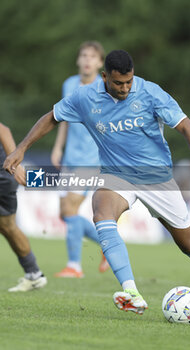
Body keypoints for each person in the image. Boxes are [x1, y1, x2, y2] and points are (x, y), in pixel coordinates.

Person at [4, 50, 190, 315]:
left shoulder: (151, 93)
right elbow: (52, 117)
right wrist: (21, 150)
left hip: (156, 177)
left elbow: (187, 127)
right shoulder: (85, 97)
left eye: (128, 82)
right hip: (116, 174)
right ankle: (131, 291)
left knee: (189, 245)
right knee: (101, 212)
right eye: (118, 83)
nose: (124, 88)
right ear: (104, 77)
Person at [51, 41, 109, 278]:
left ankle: (74, 266)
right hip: (70, 158)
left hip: (90, 158)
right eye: (83, 55)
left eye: (92, 56)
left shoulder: (103, 88)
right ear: (78, 60)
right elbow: (64, 118)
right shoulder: (68, 85)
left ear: (100, 63)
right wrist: (57, 147)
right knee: (65, 213)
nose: (87, 60)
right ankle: (108, 245)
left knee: (71, 207)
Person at [0, 123, 47, 292]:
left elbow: (3, 130)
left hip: (3, 172)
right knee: (7, 227)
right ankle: (34, 273)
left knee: (8, 227)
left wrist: (15, 163)